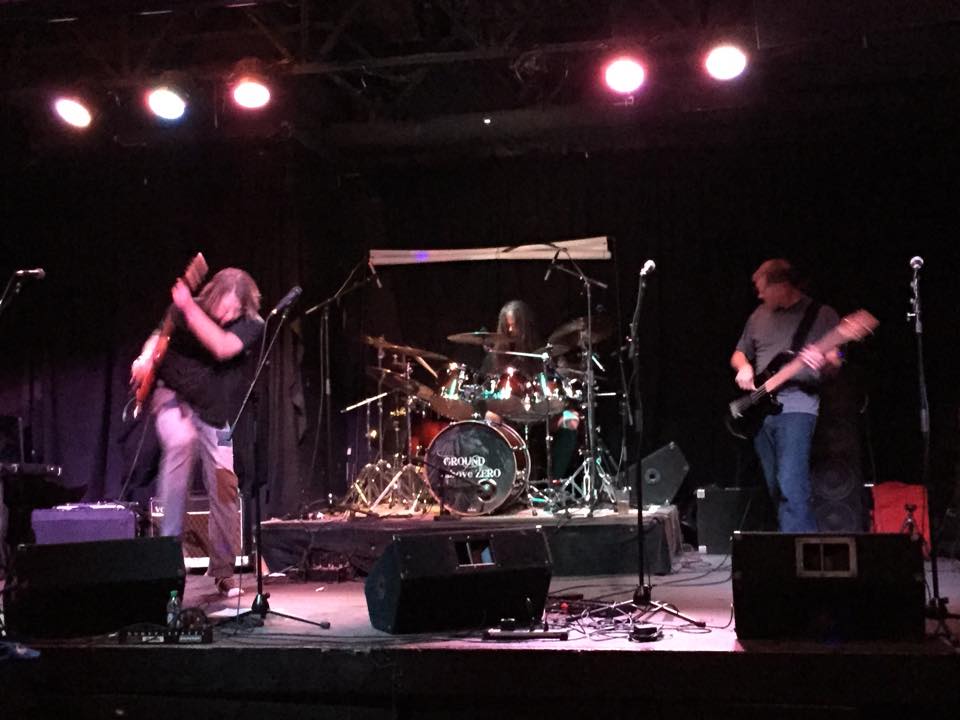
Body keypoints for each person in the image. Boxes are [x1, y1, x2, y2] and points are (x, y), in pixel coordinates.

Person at [131, 268, 264, 597]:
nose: (227, 315)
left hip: (216, 411)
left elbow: (222, 347)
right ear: (213, 294)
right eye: (224, 307)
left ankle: (223, 571)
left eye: (235, 311)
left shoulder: (251, 324)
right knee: (181, 441)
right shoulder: (188, 308)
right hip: (172, 395)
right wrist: (144, 358)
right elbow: (160, 335)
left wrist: (188, 307)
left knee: (224, 483)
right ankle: (168, 561)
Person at [730, 259, 841, 532]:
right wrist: (743, 367)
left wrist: (824, 362)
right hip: (761, 410)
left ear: (780, 285)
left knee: (792, 483)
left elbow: (836, 361)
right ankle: (788, 544)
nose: (759, 295)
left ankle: (801, 549)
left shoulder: (822, 314)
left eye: (762, 289)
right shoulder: (758, 316)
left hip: (798, 406)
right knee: (775, 486)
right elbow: (739, 353)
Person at [480, 300, 580, 480]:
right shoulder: (495, 357)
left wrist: (565, 371)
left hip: (543, 413)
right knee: (489, 418)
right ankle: (502, 480)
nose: (511, 331)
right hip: (510, 416)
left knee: (571, 419)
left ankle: (554, 482)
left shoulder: (544, 351)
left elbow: (559, 378)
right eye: (507, 327)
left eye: (515, 325)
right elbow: (488, 391)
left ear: (526, 325)